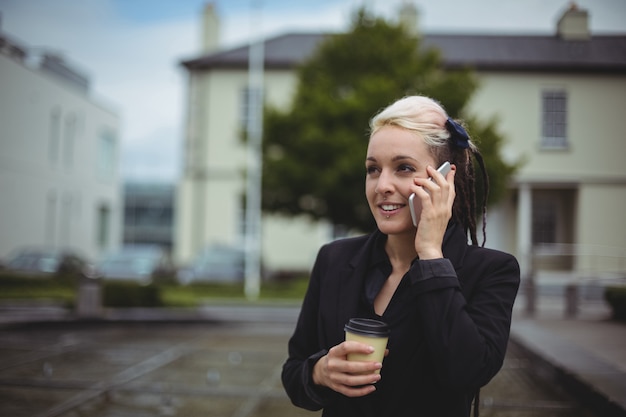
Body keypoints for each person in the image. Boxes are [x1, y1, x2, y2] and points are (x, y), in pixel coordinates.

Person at [281, 95, 520, 417]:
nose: (382, 185)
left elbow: (468, 372)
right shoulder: (334, 259)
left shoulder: (491, 271)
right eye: (373, 169)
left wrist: (431, 256)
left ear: (445, 179)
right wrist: (318, 372)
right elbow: (294, 373)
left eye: (403, 168)